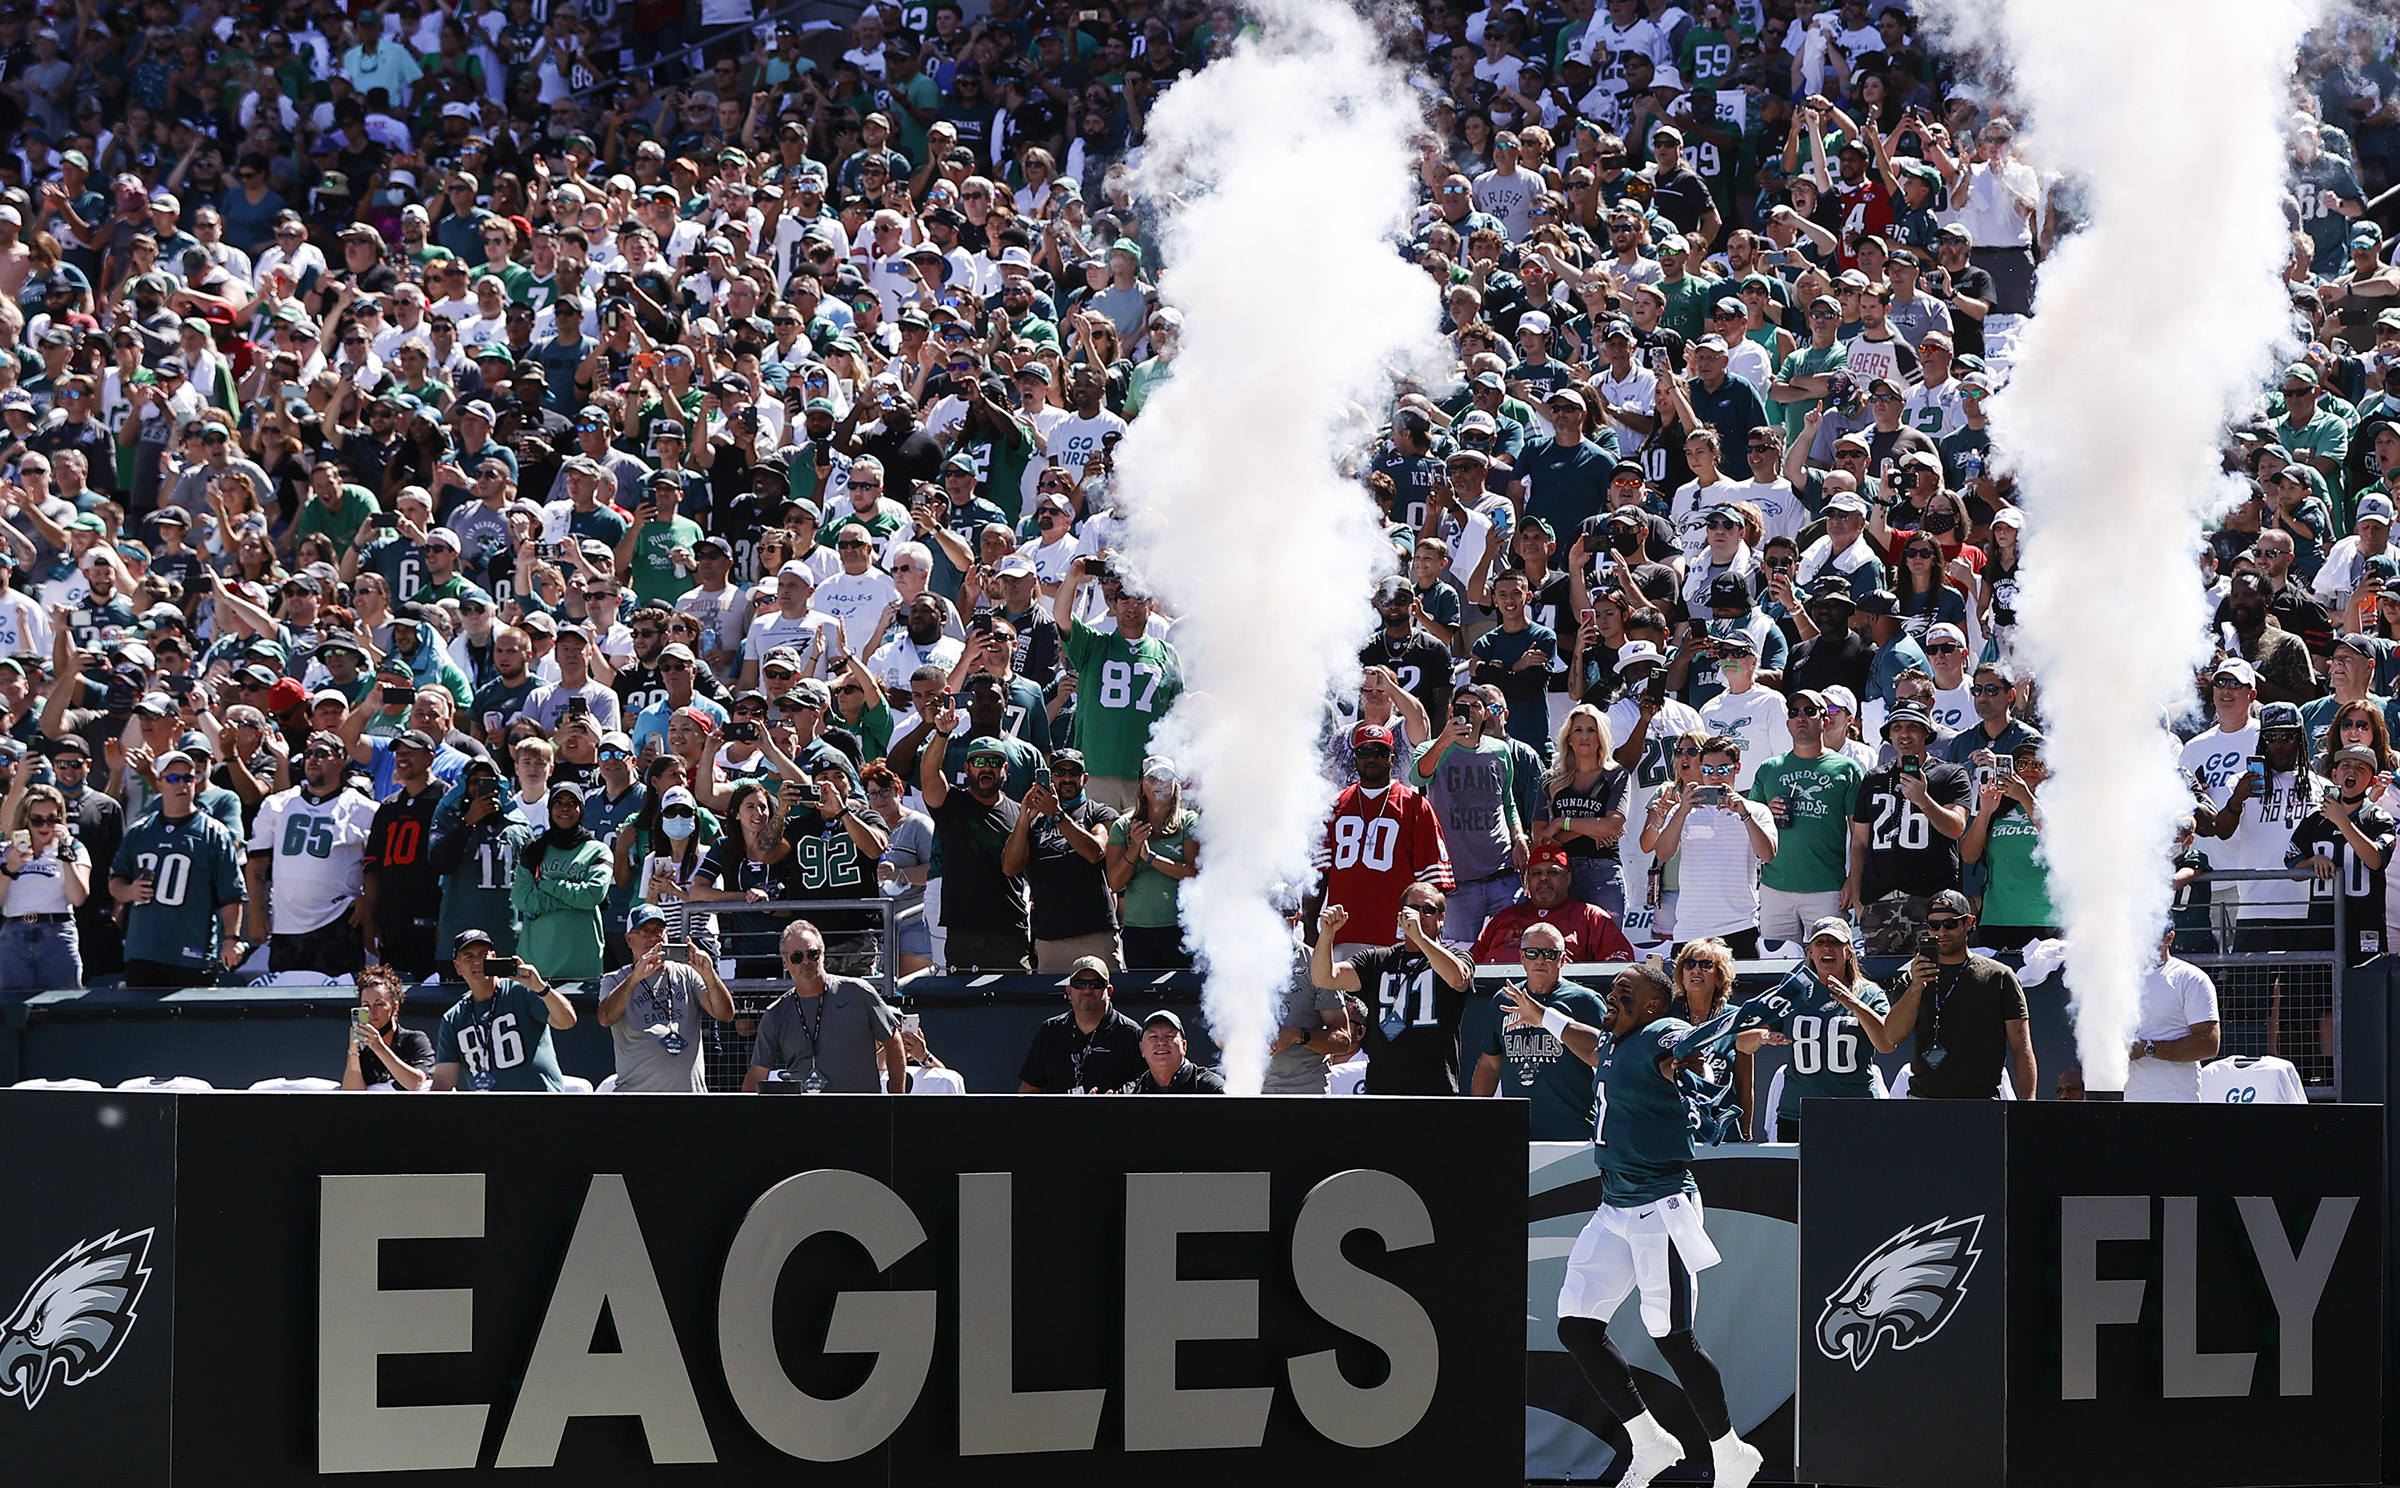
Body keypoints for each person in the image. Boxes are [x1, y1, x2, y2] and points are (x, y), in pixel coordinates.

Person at [1522, 958, 1763, 1488]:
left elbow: (1684, 1049)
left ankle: (1730, 1453)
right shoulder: (1614, 1041)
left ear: (1652, 1003)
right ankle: (1649, 1441)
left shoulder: (1661, 1031)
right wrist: (1544, 1017)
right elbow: (1589, 1044)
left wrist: (1723, 1046)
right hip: (1614, 1207)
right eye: (1612, 988)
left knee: (1673, 1337)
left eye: (1623, 991)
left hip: (1662, 1208)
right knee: (1577, 1327)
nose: (1612, 996)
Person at [1739, 918, 1894, 1142]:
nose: (1827, 948)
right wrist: (1763, 1037)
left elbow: (1887, 1044)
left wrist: (1854, 1005)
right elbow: (1742, 1043)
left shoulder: (1869, 994)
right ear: (1810, 952)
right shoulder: (1793, 991)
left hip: (1856, 1110)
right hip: (1799, 1113)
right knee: (1798, 1177)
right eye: (1820, 942)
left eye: (1835, 942)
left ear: (1849, 951)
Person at [1311, 888, 1474, 1094]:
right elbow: (1324, 978)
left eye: (1428, 909)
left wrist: (1420, 938)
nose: (1419, 915)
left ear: (1441, 918)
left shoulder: (1456, 956)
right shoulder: (1378, 959)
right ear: (1400, 916)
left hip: (1436, 1088)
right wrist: (1327, 935)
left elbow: (1458, 979)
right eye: (1413, 909)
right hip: (1383, 1089)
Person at [110, 749, 249, 987]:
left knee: (191, 1022)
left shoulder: (214, 833)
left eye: (188, 777)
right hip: (143, 950)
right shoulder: (140, 831)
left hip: (191, 951)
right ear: (160, 784)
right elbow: (116, 881)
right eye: (173, 778)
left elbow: (231, 894)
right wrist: (130, 891)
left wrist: (231, 939)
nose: (182, 784)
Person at [1314, 722, 1454, 956]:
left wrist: (1427, 936)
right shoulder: (1334, 806)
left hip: (1396, 937)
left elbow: (1433, 885)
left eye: (1379, 752)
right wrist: (1311, 929)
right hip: (1343, 933)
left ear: (1392, 757)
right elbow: (1319, 877)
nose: (1372, 758)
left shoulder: (1415, 806)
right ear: (1355, 758)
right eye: (1364, 752)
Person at [245, 729, 377, 974]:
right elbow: (256, 864)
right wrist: (255, 911)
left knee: (340, 1002)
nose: (312, 759)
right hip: (286, 924)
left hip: (339, 922)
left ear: (341, 759)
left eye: (321, 753)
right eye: (308, 754)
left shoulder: (365, 809)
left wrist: (368, 901)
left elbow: (377, 867)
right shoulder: (278, 803)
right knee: (287, 1001)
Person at [1845, 703, 1972, 954]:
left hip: (1932, 903)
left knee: (1932, 978)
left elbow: (1956, 828)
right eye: (1897, 727)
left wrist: (1923, 799)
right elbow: (1859, 841)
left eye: (1913, 727)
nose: (1905, 734)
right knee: (1881, 981)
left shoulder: (1950, 775)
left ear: (1926, 732)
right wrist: (1859, 899)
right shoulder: (1873, 779)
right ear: (1889, 735)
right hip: (1879, 902)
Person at [1884, 889, 2036, 1099]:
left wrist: (2029, 1102)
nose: (1942, 932)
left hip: (1981, 1103)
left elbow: (2021, 1046)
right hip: (1924, 1101)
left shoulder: (1999, 976)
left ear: (1969, 923)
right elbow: (1892, 1036)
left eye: (1950, 924)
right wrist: (1916, 987)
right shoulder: (1913, 977)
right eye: (1934, 926)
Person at [1473, 920, 1613, 1138]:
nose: (1540, 960)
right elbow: (1490, 1063)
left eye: (1549, 953)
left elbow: (1605, 1058)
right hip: (1517, 1131)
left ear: (1562, 958)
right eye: (1532, 953)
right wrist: (1477, 1115)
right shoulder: (1504, 1000)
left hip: (1572, 1130)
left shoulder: (1585, 1001)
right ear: (1521, 958)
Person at [1748, 690, 1863, 946]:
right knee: (1775, 964)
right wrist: (1766, 810)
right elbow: (1748, 822)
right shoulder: (1770, 769)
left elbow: (1861, 834)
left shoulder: (1846, 769)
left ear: (1825, 720)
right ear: (1788, 723)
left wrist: (1853, 880)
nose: (1801, 717)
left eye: (1809, 711)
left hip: (1827, 888)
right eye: (1794, 713)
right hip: (1774, 886)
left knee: (1830, 963)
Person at [743, 918, 907, 1093]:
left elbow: (893, 1041)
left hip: (861, 1111)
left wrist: (896, 1094)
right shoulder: (776, 1013)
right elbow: (757, 1072)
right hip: (807, 1114)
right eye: (797, 957)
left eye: (812, 954)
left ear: (823, 955)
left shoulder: (859, 992)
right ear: (785, 962)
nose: (806, 961)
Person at [921, 722, 1031, 971]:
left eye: (994, 763)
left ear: (1005, 768)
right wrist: (942, 733)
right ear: (967, 768)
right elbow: (928, 773)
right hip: (963, 931)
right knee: (963, 1006)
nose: (987, 769)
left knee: (1014, 1006)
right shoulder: (950, 803)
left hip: (1009, 929)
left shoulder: (1020, 812)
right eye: (979, 763)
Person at [598, 903, 736, 1093]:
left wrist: (709, 973)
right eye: (645, 931)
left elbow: (725, 1014)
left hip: (689, 1096)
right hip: (637, 1097)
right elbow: (605, 1018)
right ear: (629, 940)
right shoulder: (615, 980)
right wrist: (635, 978)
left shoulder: (688, 974)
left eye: (659, 930)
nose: (654, 937)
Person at [2286, 745, 2397, 964]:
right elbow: (2292, 865)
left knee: (2363, 993)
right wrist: (2312, 860)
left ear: (2373, 781)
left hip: (2364, 925)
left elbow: (2376, 861)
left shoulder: (2378, 818)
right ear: (2334, 774)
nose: (2352, 772)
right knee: (2318, 993)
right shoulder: (2315, 819)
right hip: (2322, 926)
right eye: (2345, 766)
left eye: (2361, 768)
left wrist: (2342, 822)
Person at [431, 927, 575, 1092]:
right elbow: (443, 1080)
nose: (477, 962)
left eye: (483, 954)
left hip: (539, 1103)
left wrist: (542, 988)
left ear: (494, 957)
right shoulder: (454, 1018)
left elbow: (567, 1021)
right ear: (457, 967)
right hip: (489, 1112)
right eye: (469, 957)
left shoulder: (522, 991)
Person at [1017, 751, 1122, 972]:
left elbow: (1095, 852)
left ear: (1085, 778)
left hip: (1096, 932)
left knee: (1107, 996)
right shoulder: (1035, 821)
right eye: (1059, 772)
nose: (1066, 778)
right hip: (1050, 936)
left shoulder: (1100, 812)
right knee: (1051, 1003)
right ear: (1049, 777)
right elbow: (1010, 867)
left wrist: (1057, 815)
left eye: (1074, 772)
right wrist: (1024, 818)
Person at [1960, 741, 2057, 950]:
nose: (2029, 769)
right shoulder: (1999, 809)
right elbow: (1969, 855)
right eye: (2022, 764)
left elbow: (2062, 845)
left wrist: (2025, 797)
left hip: (2046, 921)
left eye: (2038, 764)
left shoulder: (2063, 805)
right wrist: (1985, 810)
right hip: (1997, 921)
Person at [511, 781, 612, 982]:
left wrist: (547, 885)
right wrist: (570, 901)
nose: (565, 807)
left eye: (572, 802)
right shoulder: (533, 850)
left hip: (582, 964)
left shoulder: (598, 850)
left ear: (581, 810)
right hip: (537, 965)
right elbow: (521, 899)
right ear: (550, 809)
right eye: (558, 802)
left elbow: (591, 896)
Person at [1470, 846, 1639, 963]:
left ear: (1568, 878)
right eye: (1536, 873)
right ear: (1527, 880)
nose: (1544, 878)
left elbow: (1620, 957)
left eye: (1553, 872)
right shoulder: (1505, 917)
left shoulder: (1591, 916)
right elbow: (1472, 959)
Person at [1107, 757, 1200, 969]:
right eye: (1153, 778)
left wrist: (1151, 858)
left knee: (1179, 995)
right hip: (1137, 929)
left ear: (1175, 785)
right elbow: (1114, 883)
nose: (1159, 784)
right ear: (1142, 785)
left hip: (1180, 926)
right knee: (1142, 996)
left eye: (1166, 778)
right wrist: (1134, 848)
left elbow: (1193, 873)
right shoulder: (1124, 826)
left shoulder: (1188, 821)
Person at [0, 781, 90, 989]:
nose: (45, 827)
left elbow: (78, 897)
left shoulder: (74, 847)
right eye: (37, 820)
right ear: (25, 819)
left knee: (62, 1007)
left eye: (52, 820)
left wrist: (66, 855)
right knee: (13, 1009)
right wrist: (10, 868)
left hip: (56, 932)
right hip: (15, 933)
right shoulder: (6, 851)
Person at [1018, 955, 1149, 1093]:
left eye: (1096, 984)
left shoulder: (1130, 1033)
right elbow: (1030, 1088)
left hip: (1111, 1113)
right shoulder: (1050, 1030)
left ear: (1109, 991)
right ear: (1069, 991)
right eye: (1080, 984)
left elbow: (1145, 1085)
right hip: (1059, 1114)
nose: (1087, 990)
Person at [2124, 928, 2223, 1104]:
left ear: (2170, 938)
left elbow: (2208, 1044)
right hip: (2123, 1101)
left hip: (2176, 1100)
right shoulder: (2118, 979)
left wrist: (2148, 1049)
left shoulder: (2191, 979)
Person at [339, 964, 434, 1091]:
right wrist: (353, 1051)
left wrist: (379, 1047)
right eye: (366, 1005)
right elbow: (351, 1094)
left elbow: (415, 1083)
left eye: (379, 1004)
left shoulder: (415, 1039)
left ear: (395, 1007)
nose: (371, 1011)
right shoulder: (362, 1050)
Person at [1121, 1010, 1228, 1093]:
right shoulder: (1130, 1093)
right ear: (1142, 1048)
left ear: (1184, 1046)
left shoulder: (1211, 1088)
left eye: (1170, 1036)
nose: (1161, 1042)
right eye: (1153, 1036)